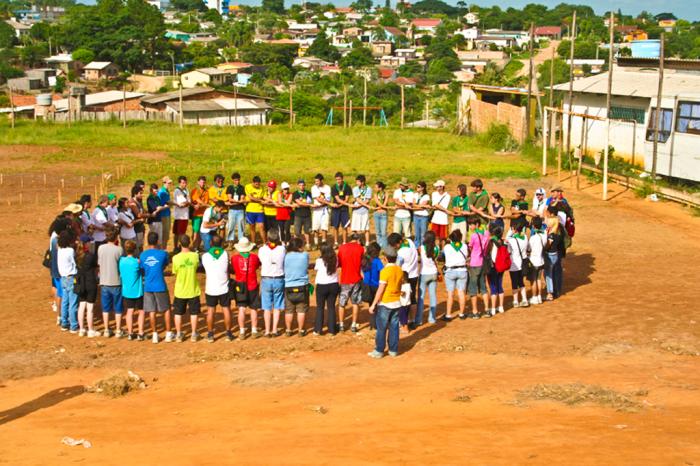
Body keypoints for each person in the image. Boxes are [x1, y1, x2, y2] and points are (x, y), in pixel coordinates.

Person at [367, 246, 403, 359]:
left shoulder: (384, 271)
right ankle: (393, 350)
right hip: (396, 302)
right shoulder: (399, 270)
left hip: (385, 302)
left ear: (386, 259)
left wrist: (373, 304)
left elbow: (380, 289)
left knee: (381, 328)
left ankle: (379, 350)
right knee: (394, 327)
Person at [140, 231, 172, 343]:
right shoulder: (163, 254)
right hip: (160, 285)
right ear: (158, 241)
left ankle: (155, 334)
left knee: (151, 311)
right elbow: (164, 265)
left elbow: (142, 268)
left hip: (148, 286)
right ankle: (168, 334)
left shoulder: (143, 255)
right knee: (166, 309)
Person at [201, 234, 232, 343]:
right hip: (224, 287)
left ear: (211, 243)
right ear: (222, 243)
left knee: (210, 310)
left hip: (211, 288)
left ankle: (210, 334)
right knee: (226, 309)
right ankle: (228, 333)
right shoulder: (225, 254)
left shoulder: (205, 256)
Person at [172, 235, 202, 342]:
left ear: (180, 243)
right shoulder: (195, 256)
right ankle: (194, 334)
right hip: (193, 289)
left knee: (178, 313)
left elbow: (175, 272)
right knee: (194, 312)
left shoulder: (175, 258)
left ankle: (179, 334)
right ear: (189, 243)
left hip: (180, 290)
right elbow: (197, 267)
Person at [231, 237, 262, 339]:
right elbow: (257, 266)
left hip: (240, 286)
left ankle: (242, 331)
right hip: (252, 285)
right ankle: (254, 330)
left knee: (241, 309)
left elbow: (233, 269)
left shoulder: (234, 258)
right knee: (253, 309)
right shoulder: (254, 257)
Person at [387, 232, 419, 332]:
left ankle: (403, 323)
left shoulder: (401, 252)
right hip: (414, 274)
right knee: (412, 298)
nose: (395, 247)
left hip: (405, 278)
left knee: (403, 301)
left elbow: (397, 266)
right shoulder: (410, 241)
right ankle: (412, 320)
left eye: (395, 245)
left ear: (399, 241)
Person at [258, 229, 286, 337]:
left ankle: (267, 331)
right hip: (278, 279)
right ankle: (274, 330)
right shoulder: (282, 249)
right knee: (277, 305)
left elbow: (261, 259)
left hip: (266, 279)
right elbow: (283, 246)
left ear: (268, 238)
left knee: (267, 307)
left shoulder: (262, 249)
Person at [98, 228, 124, 338]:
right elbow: (121, 266)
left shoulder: (100, 248)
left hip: (104, 281)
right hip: (116, 281)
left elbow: (99, 263)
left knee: (105, 307)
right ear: (116, 237)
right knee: (118, 307)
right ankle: (118, 330)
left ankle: (106, 329)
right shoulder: (119, 250)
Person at [337, 232, 365, 333]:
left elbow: (339, 263)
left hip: (345, 279)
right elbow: (363, 264)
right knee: (355, 303)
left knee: (342, 303)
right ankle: (353, 324)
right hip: (356, 279)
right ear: (358, 240)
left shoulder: (342, 248)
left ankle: (341, 324)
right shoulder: (361, 249)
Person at [283, 236, 309, 336]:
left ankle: (288, 330)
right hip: (302, 285)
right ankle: (301, 330)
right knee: (301, 310)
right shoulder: (305, 255)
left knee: (289, 310)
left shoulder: (286, 256)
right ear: (299, 246)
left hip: (288, 285)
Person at [119, 240, 145, 341]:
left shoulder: (122, 261)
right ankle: (141, 333)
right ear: (134, 250)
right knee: (141, 312)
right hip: (138, 291)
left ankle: (130, 333)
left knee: (129, 311)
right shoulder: (136, 262)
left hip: (127, 291)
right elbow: (142, 270)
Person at [313, 243, 340, 336]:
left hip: (322, 285)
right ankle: (332, 330)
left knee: (320, 307)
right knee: (331, 307)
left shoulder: (319, 261)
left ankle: (318, 329)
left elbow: (316, 269)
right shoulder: (336, 259)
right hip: (333, 285)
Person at [466, 217, 490, 319]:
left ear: (477, 224)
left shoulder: (474, 236)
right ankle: (487, 310)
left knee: (473, 289)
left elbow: (470, 248)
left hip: (474, 264)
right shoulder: (485, 235)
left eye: (472, 224)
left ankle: (475, 312)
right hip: (482, 263)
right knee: (483, 287)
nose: (470, 226)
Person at [442, 229, 468, 321]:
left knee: (450, 294)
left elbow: (442, 256)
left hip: (450, 271)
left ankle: (448, 315)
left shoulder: (447, 247)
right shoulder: (464, 246)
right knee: (461, 292)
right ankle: (461, 314)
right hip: (462, 270)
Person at [75, 240, 99, 337]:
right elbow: (96, 267)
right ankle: (90, 330)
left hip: (81, 283)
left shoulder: (77, 256)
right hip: (90, 282)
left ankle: (81, 329)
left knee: (81, 306)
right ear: (86, 245)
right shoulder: (90, 256)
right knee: (90, 308)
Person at [57, 230, 79, 333]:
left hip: (63, 278)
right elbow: (74, 262)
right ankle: (73, 325)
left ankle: (64, 323)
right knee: (73, 302)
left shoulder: (59, 251)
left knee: (65, 301)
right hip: (71, 277)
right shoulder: (70, 250)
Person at [417, 230, 440, 325]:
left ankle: (419, 320)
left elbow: (418, 258)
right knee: (433, 296)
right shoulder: (437, 248)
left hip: (424, 273)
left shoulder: (421, 248)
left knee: (421, 298)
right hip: (433, 273)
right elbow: (435, 259)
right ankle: (432, 319)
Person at [361, 242, 383, 330]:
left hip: (367, 285)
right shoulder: (377, 261)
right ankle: (376, 324)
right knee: (377, 304)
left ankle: (372, 324)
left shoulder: (364, 259)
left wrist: (364, 278)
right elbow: (382, 271)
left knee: (371, 304)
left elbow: (361, 270)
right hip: (376, 285)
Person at [486, 224, 506, 316]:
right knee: (500, 286)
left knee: (493, 288)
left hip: (493, 266)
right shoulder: (502, 241)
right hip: (501, 266)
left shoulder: (491, 241)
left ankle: (493, 309)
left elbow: (491, 255)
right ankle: (501, 307)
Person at [527, 216, 547, 305]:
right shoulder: (544, 235)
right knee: (539, 279)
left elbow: (528, 249)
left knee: (533, 280)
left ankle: (534, 297)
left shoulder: (533, 238)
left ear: (534, 226)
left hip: (534, 261)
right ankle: (539, 297)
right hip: (541, 260)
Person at [544, 217, 565, 301]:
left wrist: (543, 248)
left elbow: (548, 245)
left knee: (548, 275)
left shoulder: (552, 235)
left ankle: (550, 294)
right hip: (555, 254)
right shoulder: (558, 233)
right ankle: (556, 291)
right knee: (554, 273)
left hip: (550, 255)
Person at [331, 172, 353, 245]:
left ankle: (344, 242)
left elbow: (347, 199)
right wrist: (340, 204)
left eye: (339, 179)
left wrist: (340, 205)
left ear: (342, 178)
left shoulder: (347, 187)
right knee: (335, 226)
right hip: (335, 210)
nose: (338, 181)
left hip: (344, 210)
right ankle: (336, 242)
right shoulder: (334, 187)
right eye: (336, 179)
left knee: (345, 226)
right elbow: (337, 199)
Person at [311, 174, 331, 248]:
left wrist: (325, 203)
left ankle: (324, 242)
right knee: (315, 227)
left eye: (317, 181)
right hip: (316, 210)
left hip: (325, 210)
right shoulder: (313, 188)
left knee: (324, 227)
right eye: (315, 181)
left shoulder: (327, 188)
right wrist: (327, 203)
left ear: (321, 180)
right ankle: (316, 243)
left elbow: (327, 199)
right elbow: (317, 199)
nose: (316, 183)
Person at [226, 172, 247, 245]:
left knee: (241, 226)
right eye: (235, 180)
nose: (237, 181)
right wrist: (237, 201)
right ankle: (230, 242)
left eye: (238, 180)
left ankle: (241, 242)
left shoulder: (242, 187)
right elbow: (229, 198)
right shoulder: (230, 187)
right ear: (232, 180)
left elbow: (242, 198)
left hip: (240, 210)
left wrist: (236, 201)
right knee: (231, 226)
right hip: (232, 210)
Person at [351, 175, 372, 245]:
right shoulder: (355, 189)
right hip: (356, 211)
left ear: (362, 182)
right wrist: (364, 205)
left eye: (358, 181)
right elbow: (357, 199)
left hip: (364, 211)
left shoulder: (369, 189)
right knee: (355, 227)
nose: (356, 183)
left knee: (366, 228)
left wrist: (362, 205)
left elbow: (368, 199)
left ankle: (367, 242)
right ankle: (357, 242)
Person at [245, 175, 266, 244]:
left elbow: (263, 198)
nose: (257, 185)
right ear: (253, 182)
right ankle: (253, 243)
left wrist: (256, 199)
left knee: (261, 227)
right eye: (256, 184)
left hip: (260, 210)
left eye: (258, 184)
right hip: (250, 210)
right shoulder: (247, 187)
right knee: (252, 227)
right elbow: (250, 197)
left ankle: (264, 243)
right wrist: (259, 200)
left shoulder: (262, 188)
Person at [292, 179, 313, 248]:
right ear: (298, 185)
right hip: (298, 215)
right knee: (297, 232)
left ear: (305, 185)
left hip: (307, 215)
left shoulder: (308, 193)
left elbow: (309, 202)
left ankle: (308, 244)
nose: (302, 186)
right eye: (300, 185)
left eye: (303, 185)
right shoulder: (295, 193)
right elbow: (299, 202)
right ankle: (296, 245)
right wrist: (306, 203)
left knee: (307, 231)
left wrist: (302, 203)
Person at [190, 176, 209, 251]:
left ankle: (198, 246)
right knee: (195, 231)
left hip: (203, 214)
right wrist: (205, 205)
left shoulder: (206, 191)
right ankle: (194, 247)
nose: (202, 183)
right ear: (198, 182)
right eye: (201, 182)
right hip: (196, 215)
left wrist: (202, 205)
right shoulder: (195, 190)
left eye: (204, 182)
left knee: (201, 231)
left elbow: (205, 202)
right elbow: (197, 200)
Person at [430, 180, 451, 247]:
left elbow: (443, 206)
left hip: (443, 220)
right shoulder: (434, 194)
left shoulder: (447, 196)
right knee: (435, 236)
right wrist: (445, 210)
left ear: (442, 187)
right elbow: (435, 205)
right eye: (436, 187)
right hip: (435, 219)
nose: (437, 188)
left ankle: (443, 250)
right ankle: (437, 249)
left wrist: (438, 207)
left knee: (443, 237)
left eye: (438, 186)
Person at [172, 176, 191, 252]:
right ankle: (177, 247)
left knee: (182, 232)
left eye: (185, 182)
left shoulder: (186, 190)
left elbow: (189, 201)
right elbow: (181, 204)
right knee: (178, 233)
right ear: (179, 183)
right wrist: (187, 203)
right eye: (183, 182)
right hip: (179, 216)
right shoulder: (177, 191)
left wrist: (187, 203)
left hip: (185, 215)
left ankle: (180, 246)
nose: (184, 184)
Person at [128, 185, 147, 253]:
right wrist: (149, 215)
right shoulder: (132, 202)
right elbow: (139, 215)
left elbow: (143, 211)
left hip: (140, 227)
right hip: (136, 228)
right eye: (140, 193)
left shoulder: (139, 201)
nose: (142, 195)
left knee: (141, 245)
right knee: (137, 246)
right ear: (135, 194)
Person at [412, 181, 430, 249]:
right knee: (417, 233)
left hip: (423, 216)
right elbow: (413, 205)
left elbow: (423, 206)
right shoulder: (415, 194)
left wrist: (418, 206)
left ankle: (423, 247)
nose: (417, 188)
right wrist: (420, 206)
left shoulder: (426, 196)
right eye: (416, 186)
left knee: (423, 233)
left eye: (418, 187)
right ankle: (416, 247)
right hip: (416, 216)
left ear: (423, 188)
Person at [372, 181, 389, 248]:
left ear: (380, 188)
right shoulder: (375, 194)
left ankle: (384, 246)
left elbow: (384, 204)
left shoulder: (386, 193)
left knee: (383, 232)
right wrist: (381, 206)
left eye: (376, 187)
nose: (375, 188)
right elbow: (377, 202)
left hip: (384, 214)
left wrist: (379, 207)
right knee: (378, 232)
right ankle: (379, 246)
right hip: (377, 214)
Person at [158, 177, 173, 249]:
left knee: (167, 234)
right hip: (164, 215)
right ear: (164, 183)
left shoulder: (166, 191)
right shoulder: (162, 192)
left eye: (170, 183)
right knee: (165, 234)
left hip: (167, 214)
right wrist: (177, 204)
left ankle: (164, 249)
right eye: (169, 183)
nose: (170, 184)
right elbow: (169, 202)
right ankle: (163, 250)